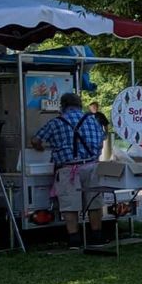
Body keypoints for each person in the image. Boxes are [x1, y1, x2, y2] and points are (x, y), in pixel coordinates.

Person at [31, 91, 107, 249]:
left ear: (63, 106)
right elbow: (101, 141)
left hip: (69, 169)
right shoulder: (92, 120)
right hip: (92, 166)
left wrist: (40, 148)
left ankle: (74, 240)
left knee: (70, 205)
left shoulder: (56, 122)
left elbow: (36, 140)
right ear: (80, 105)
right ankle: (97, 237)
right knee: (94, 202)